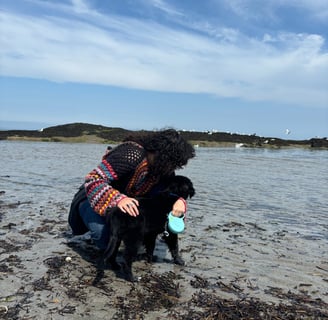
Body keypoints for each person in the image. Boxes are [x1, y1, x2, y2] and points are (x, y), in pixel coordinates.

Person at [68, 129, 195, 250]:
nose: (173, 168)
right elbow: (93, 179)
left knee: (137, 241)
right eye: (173, 163)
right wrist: (117, 199)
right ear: (162, 155)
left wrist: (179, 201)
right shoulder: (131, 154)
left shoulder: (163, 169)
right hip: (92, 198)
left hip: (129, 205)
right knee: (104, 238)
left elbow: (166, 193)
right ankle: (89, 228)